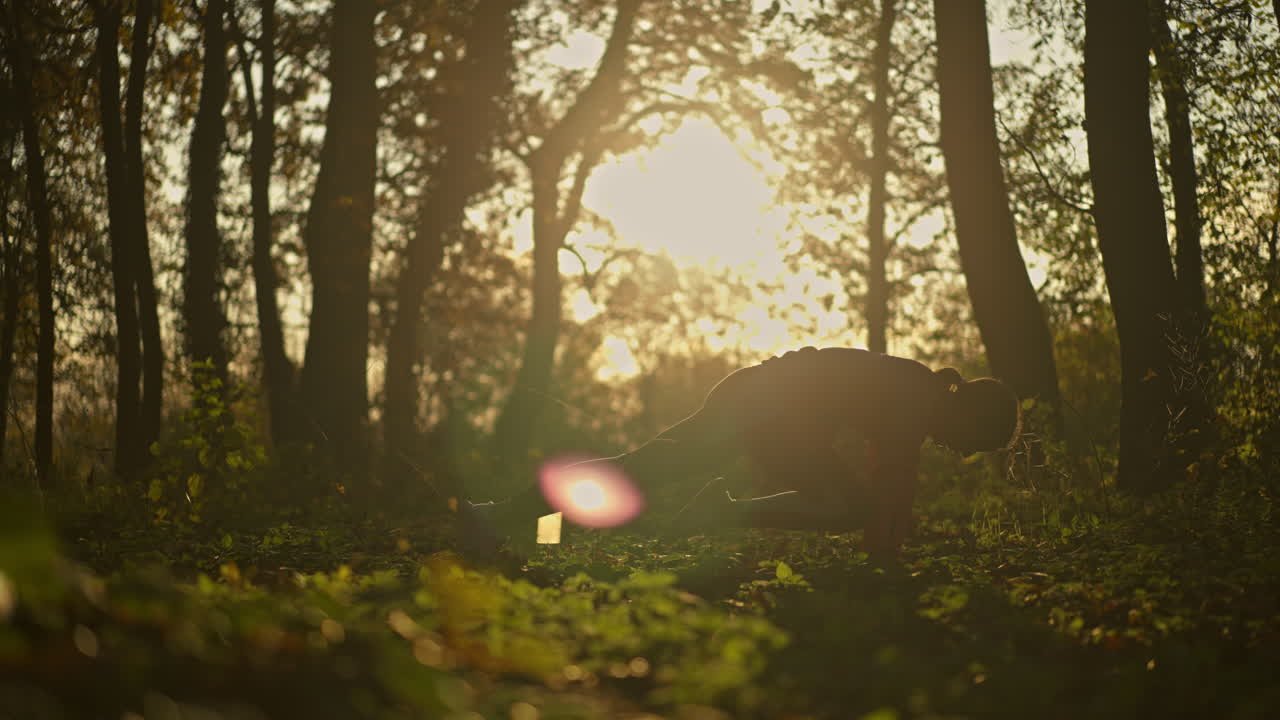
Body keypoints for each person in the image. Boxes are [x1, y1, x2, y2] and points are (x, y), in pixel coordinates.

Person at [464, 347, 1020, 558]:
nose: (962, 452)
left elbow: (887, 488)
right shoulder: (915, 397)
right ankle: (500, 517)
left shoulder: (916, 393)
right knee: (642, 470)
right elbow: (892, 489)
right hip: (761, 408)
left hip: (768, 408)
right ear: (969, 411)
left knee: (642, 470)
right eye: (974, 442)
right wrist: (884, 565)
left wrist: (885, 548)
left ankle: (514, 521)